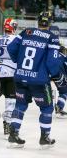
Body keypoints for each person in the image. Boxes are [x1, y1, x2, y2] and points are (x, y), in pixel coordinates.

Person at [6, 11, 63, 149]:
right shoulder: (52, 37)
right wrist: (51, 74)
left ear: (38, 21)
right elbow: (53, 62)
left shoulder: (26, 32)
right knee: (47, 107)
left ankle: (13, 134)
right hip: (39, 81)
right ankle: (44, 137)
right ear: (50, 22)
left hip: (20, 77)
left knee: (20, 105)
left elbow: (11, 47)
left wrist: (18, 62)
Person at [0, 18, 17, 138]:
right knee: (11, 101)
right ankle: (7, 124)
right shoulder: (15, 39)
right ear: (13, 27)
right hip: (10, 73)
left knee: (9, 100)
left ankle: (8, 123)